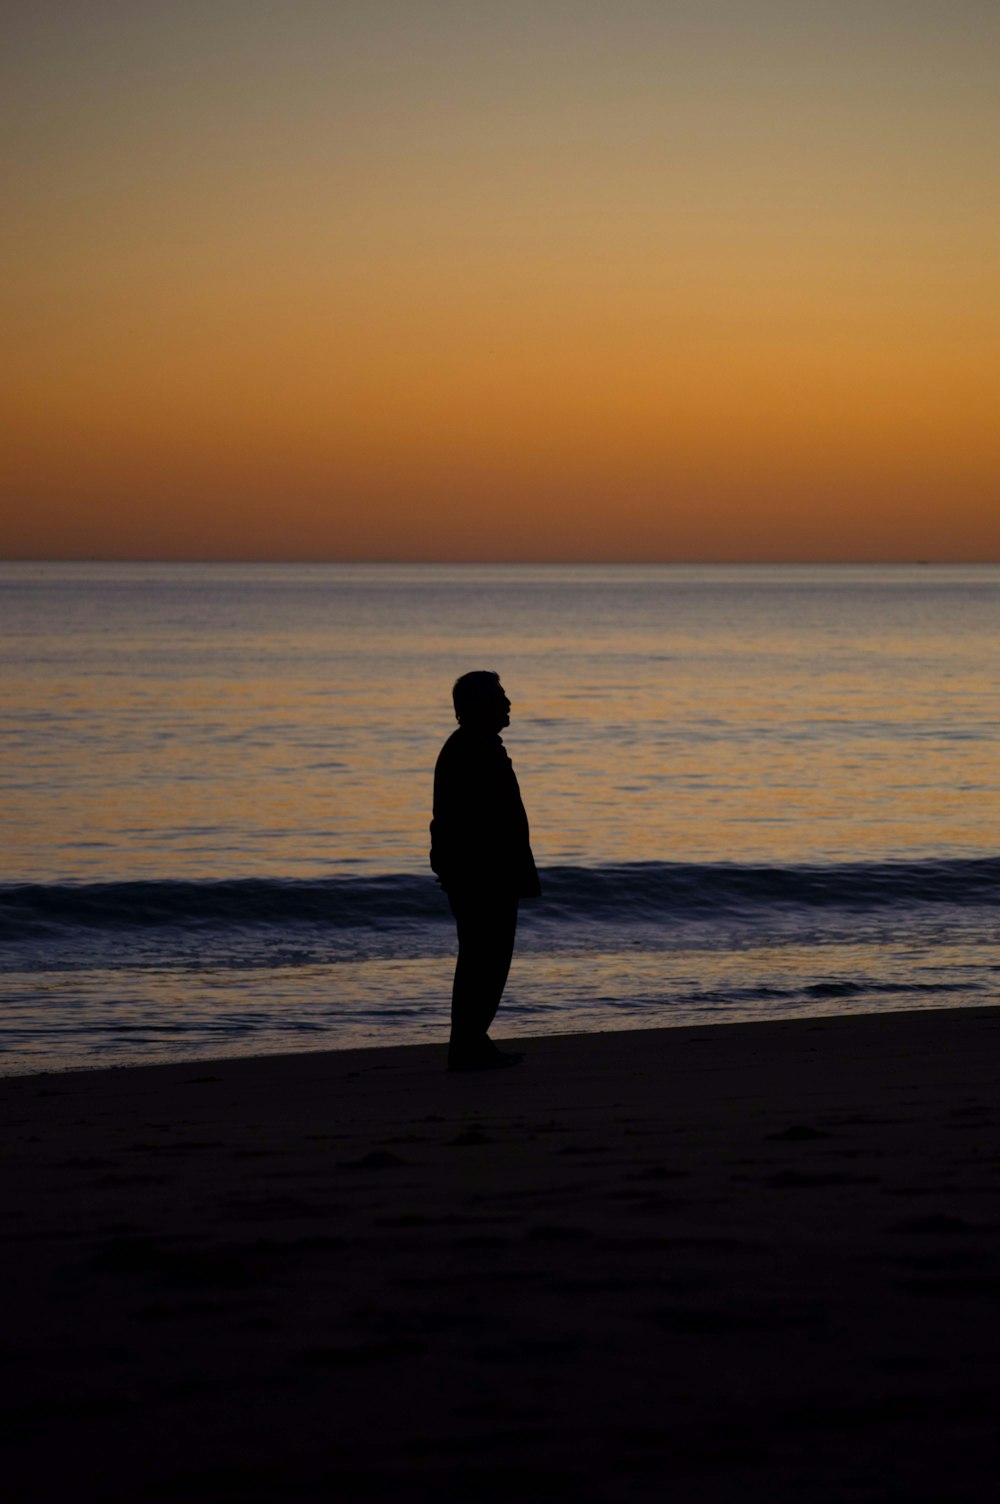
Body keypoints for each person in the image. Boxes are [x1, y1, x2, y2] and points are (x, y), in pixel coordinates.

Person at [430, 671, 541, 1071]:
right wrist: (454, 866)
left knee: (486, 960)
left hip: (487, 872)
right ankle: (467, 1046)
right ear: (478, 706)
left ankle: (471, 1042)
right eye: (500, 697)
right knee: (485, 960)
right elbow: (452, 820)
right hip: (483, 875)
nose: (509, 704)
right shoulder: (470, 749)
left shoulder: (476, 745)